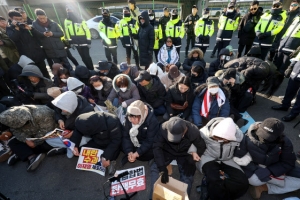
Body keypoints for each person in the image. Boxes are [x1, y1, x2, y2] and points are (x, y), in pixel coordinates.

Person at [234, 118, 300, 199]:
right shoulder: (246, 138)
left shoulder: (285, 142)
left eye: (269, 137)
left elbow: (288, 162)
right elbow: (239, 157)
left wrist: (270, 170)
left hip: (274, 165)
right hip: (255, 167)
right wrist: (255, 169)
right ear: (258, 127)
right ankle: (276, 185)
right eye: (262, 134)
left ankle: (266, 187)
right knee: (254, 180)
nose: (263, 138)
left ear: (279, 136)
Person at [190, 117, 248, 200]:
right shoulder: (204, 132)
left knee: (242, 182)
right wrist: (193, 152)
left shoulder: (239, 136)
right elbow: (194, 142)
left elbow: (245, 149)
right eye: (216, 138)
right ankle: (214, 190)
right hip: (208, 157)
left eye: (223, 140)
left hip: (228, 159)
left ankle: (211, 189)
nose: (218, 140)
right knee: (213, 179)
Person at [152, 117, 206, 196]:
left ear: (185, 130)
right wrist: (162, 168)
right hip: (168, 151)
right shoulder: (163, 128)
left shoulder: (193, 131)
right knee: (155, 168)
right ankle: (153, 196)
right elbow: (157, 146)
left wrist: (192, 159)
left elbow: (201, 146)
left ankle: (183, 196)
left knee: (188, 175)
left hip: (184, 154)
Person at [0, 105, 56, 171]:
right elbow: (15, 131)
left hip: (47, 133)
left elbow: (46, 130)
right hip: (31, 134)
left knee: (48, 143)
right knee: (12, 142)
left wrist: (35, 142)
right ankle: (30, 157)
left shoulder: (42, 113)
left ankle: (23, 153)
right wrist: (25, 140)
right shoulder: (10, 116)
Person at [6, 10, 48, 78]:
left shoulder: (26, 26)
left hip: (37, 54)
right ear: (11, 19)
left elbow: (40, 35)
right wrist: (17, 29)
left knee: (44, 71)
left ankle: (50, 85)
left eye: (20, 19)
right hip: (27, 57)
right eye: (16, 19)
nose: (19, 21)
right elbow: (13, 39)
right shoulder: (10, 29)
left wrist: (31, 29)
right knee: (35, 74)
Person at [122, 100, 159, 164]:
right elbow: (125, 135)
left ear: (141, 115)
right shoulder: (128, 117)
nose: (132, 121)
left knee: (154, 149)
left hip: (144, 142)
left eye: (135, 118)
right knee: (122, 142)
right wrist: (129, 151)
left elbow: (149, 141)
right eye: (130, 118)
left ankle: (137, 155)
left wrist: (137, 153)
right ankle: (131, 154)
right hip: (135, 142)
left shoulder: (152, 121)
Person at [272, 56, 300, 122]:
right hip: (298, 67)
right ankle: (285, 105)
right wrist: (291, 65)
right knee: (290, 89)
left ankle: (293, 114)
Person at [274, 9, 300, 74]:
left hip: (291, 51)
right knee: (274, 67)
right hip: (282, 47)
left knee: (282, 71)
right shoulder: (296, 19)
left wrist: (297, 51)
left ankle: (275, 84)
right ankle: (268, 82)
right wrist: (280, 43)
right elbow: (286, 32)